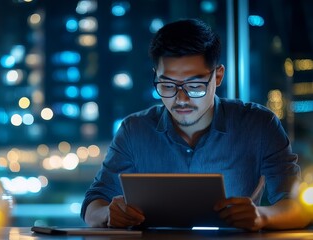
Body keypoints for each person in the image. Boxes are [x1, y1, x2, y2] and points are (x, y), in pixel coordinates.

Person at [80, 18, 311, 231]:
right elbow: (93, 204)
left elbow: (299, 207)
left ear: (217, 76)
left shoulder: (259, 125)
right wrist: (108, 214)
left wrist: (262, 216)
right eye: (168, 85)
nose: (181, 99)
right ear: (156, 76)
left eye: (195, 85)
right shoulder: (134, 130)